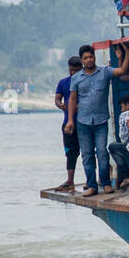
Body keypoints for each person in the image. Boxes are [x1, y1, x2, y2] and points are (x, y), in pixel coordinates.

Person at [64, 43, 129, 197]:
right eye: (85, 58)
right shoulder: (76, 78)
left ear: (94, 57)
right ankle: (92, 185)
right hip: (83, 122)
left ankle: (106, 183)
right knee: (87, 154)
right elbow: (72, 99)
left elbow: (122, 70)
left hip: (101, 121)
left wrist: (126, 54)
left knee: (102, 152)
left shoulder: (104, 72)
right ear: (82, 60)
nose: (89, 60)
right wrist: (70, 120)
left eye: (91, 57)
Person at [54, 55, 83, 190]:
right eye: (71, 70)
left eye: (76, 71)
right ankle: (70, 180)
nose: (73, 73)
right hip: (68, 123)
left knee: (88, 152)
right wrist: (60, 105)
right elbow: (58, 98)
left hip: (85, 123)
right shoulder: (63, 83)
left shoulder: (85, 82)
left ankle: (91, 180)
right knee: (70, 153)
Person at [108, 94, 129, 189]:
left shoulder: (124, 115)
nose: (121, 109)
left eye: (122, 107)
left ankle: (127, 175)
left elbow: (123, 139)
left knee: (112, 147)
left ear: (128, 105)